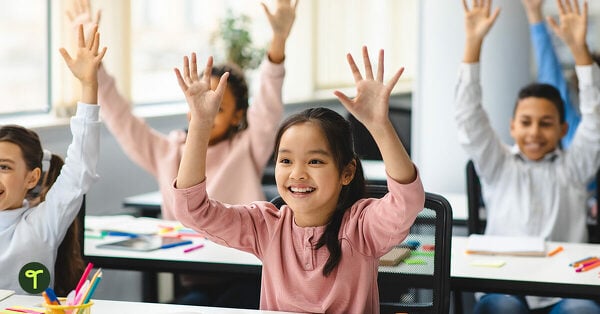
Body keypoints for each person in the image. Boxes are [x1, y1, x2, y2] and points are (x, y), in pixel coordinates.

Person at [67, 0, 298, 308]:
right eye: (197, 103)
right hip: (196, 276)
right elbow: (121, 119)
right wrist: (95, 72)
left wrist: (278, 42)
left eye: (217, 107)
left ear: (237, 115)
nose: (203, 111)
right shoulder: (168, 151)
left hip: (250, 276)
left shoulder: (247, 146)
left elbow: (269, 104)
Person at [170, 45, 424, 313]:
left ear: (346, 172)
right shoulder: (266, 227)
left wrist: (379, 126)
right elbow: (192, 211)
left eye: (314, 161)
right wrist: (200, 124)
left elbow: (407, 201)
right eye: (286, 161)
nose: (297, 173)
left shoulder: (363, 228)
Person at [457, 0, 600, 312]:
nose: (534, 132)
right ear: (512, 126)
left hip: (564, 291)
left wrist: (580, 52)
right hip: (504, 288)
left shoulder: (576, 167)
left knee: (584, 311)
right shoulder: (498, 164)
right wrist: (473, 43)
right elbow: (469, 116)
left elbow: (595, 116)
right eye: (525, 122)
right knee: (503, 309)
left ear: (563, 129)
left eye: (546, 124)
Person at [0, 24, 105, 294]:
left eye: (4, 167)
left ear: (31, 177)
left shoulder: (42, 224)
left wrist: (88, 86)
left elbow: (80, 169)